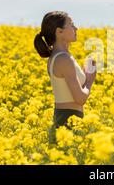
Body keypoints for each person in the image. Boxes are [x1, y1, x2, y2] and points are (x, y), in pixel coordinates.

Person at [33, 11, 96, 145]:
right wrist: (90, 80)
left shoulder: (60, 57)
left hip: (66, 118)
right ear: (59, 31)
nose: (76, 29)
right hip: (67, 121)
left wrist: (85, 74)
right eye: (71, 25)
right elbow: (80, 98)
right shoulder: (63, 59)